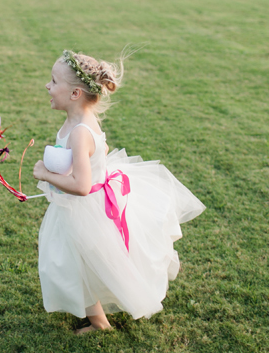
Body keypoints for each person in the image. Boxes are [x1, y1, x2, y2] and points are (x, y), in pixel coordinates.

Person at [33, 50, 206, 335]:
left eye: (53, 81)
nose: (47, 86)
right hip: (80, 206)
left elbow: (82, 186)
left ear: (75, 93)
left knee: (82, 262)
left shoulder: (79, 132)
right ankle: (98, 319)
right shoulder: (78, 121)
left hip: (86, 209)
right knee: (79, 262)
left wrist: (45, 174)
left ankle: (100, 323)